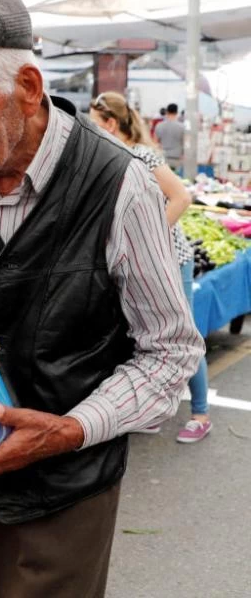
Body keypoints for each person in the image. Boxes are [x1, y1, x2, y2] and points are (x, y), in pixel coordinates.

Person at [0, 0, 204, 596]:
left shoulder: (121, 184)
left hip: (66, 489)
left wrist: (70, 429)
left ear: (28, 87)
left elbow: (171, 351)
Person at [90, 92, 211, 443]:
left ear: (111, 124)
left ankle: (201, 413)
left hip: (173, 261)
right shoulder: (110, 159)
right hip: (140, 264)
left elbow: (182, 197)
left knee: (180, 335)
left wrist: (149, 239)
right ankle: (154, 409)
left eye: (96, 125)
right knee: (143, 334)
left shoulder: (141, 155)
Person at [156, 103, 185, 172]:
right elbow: (184, 142)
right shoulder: (182, 127)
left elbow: (155, 142)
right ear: (177, 112)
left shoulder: (159, 125)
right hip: (177, 157)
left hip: (163, 158)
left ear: (167, 112)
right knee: (176, 178)